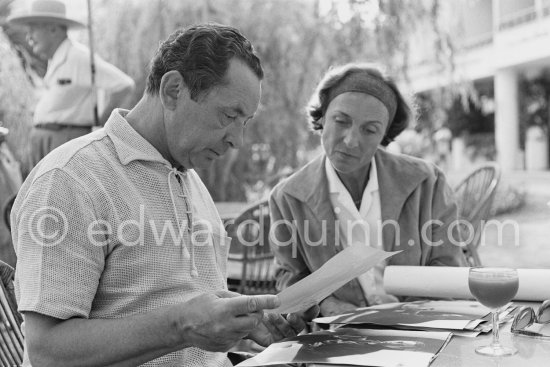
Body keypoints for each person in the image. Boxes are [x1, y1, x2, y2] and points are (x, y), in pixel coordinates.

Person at [11, 24, 316, 367]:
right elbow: (47, 353)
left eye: (245, 122)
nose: (237, 141)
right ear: (173, 90)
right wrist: (182, 326)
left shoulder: (190, 181)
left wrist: (243, 323)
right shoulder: (72, 179)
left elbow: (183, 315)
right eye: (229, 115)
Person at [269, 63, 467, 317]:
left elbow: (448, 268)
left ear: (384, 134)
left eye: (370, 130)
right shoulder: (287, 197)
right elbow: (290, 277)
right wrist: (327, 306)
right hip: (338, 337)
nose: (351, 140)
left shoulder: (427, 181)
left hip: (419, 328)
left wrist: (403, 317)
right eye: (341, 121)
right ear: (322, 117)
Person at [8, 0, 136, 168]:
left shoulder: (78, 57)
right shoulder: (55, 59)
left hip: (64, 141)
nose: (28, 36)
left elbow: (124, 84)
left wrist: (101, 123)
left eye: (33, 29)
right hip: (47, 142)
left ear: (53, 28)